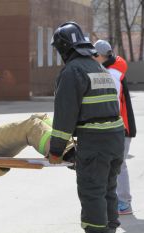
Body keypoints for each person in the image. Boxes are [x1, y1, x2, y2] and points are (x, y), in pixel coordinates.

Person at [49, 22, 125, 233]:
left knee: (92, 192)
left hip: (95, 142)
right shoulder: (99, 67)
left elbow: (65, 116)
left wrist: (56, 150)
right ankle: (110, 228)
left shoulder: (72, 71)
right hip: (115, 139)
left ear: (64, 47)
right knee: (108, 190)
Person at [94, 39, 137, 215]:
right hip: (121, 126)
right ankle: (118, 201)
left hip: (121, 127)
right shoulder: (111, 70)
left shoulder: (112, 74)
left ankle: (124, 202)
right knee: (115, 164)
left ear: (100, 56)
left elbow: (114, 104)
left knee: (119, 165)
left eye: (93, 55)